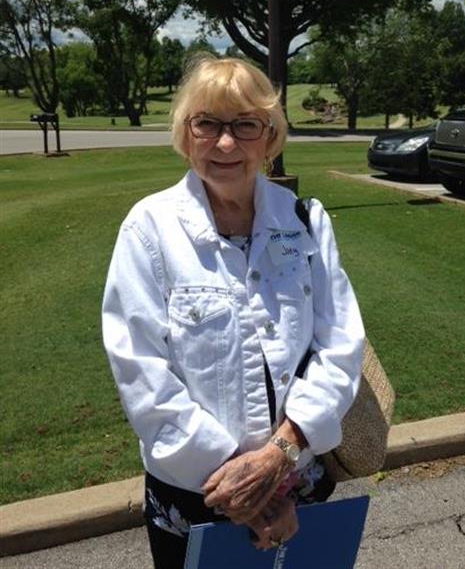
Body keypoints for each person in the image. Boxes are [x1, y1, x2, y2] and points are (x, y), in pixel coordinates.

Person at [102, 56, 365, 568]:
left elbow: (340, 346)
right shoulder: (148, 228)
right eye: (208, 124)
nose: (225, 144)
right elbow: (140, 372)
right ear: (185, 133)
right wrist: (248, 487)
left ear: (268, 137)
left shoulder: (305, 221)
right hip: (197, 492)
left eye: (245, 125)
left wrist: (280, 459)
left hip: (299, 484)